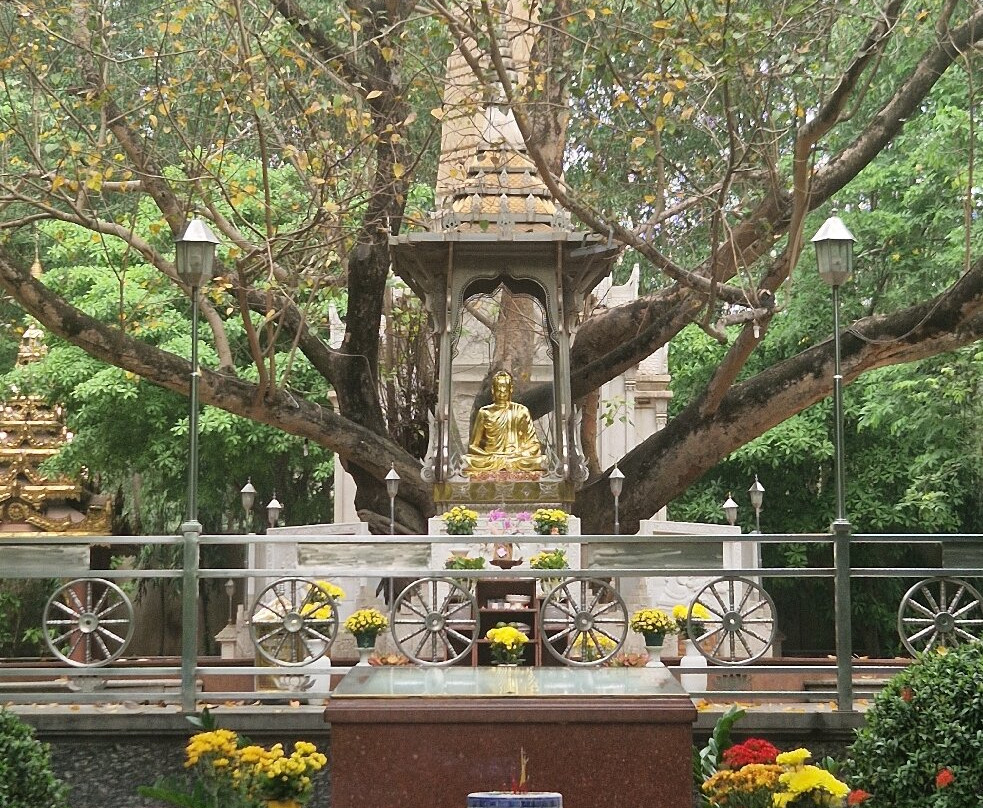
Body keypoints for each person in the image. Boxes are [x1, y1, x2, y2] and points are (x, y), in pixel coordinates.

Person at [463, 370, 545, 475]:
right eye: (499, 388)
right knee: (471, 460)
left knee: (534, 460)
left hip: (516, 458)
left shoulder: (521, 411)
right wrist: (491, 456)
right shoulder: (484, 412)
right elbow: (473, 446)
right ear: (493, 390)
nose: (502, 391)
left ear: (511, 389)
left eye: (505, 388)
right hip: (491, 459)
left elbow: (534, 444)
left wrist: (520, 454)